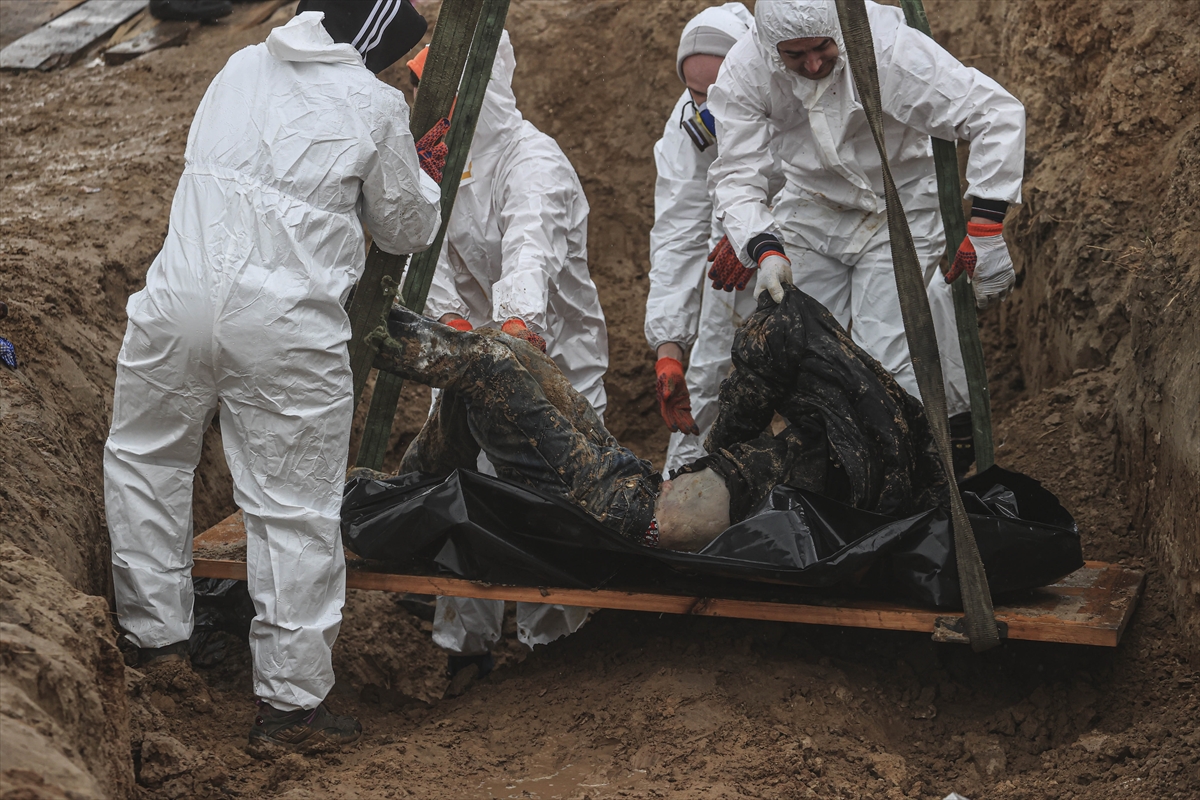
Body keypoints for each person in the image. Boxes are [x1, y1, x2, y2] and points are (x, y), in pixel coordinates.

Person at [103, 2, 441, 752]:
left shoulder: (239, 67)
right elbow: (405, 228)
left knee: (147, 460)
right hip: (283, 325)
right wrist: (423, 175)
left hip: (178, 301)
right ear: (375, 41)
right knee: (291, 509)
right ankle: (289, 709)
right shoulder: (376, 103)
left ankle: (155, 643)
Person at [373, 285, 947, 555]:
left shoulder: (838, 462)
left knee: (493, 368)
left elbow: (748, 401)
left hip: (620, 516)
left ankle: (369, 329)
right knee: (504, 351)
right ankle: (409, 494)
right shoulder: (847, 431)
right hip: (633, 484)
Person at [707, 0, 1027, 477]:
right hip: (812, 208)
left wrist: (985, 227)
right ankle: (829, 474)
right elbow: (736, 173)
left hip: (897, 207)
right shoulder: (747, 69)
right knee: (801, 349)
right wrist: (763, 245)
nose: (813, 64)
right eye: (796, 56)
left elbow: (995, 113)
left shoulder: (889, 50)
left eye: (822, 48)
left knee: (889, 363)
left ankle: (905, 481)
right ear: (772, 48)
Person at [404, 31, 609, 683]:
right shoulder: (434, 166)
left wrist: (515, 323)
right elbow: (421, 253)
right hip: (471, 353)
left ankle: (558, 646)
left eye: (438, 91)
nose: (423, 102)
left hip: (550, 355)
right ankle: (467, 649)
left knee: (550, 498)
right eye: (418, 89)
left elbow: (531, 247)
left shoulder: (532, 162)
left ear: (480, 95)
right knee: (463, 490)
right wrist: (453, 325)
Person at [645, 2, 773, 476]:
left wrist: (758, 236)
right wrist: (669, 347)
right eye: (695, 93)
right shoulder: (690, 125)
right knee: (711, 380)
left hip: (819, 247)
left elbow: (823, 190)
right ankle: (687, 494)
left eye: (717, 92)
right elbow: (678, 230)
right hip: (733, 260)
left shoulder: (785, 95)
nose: (706, 107)